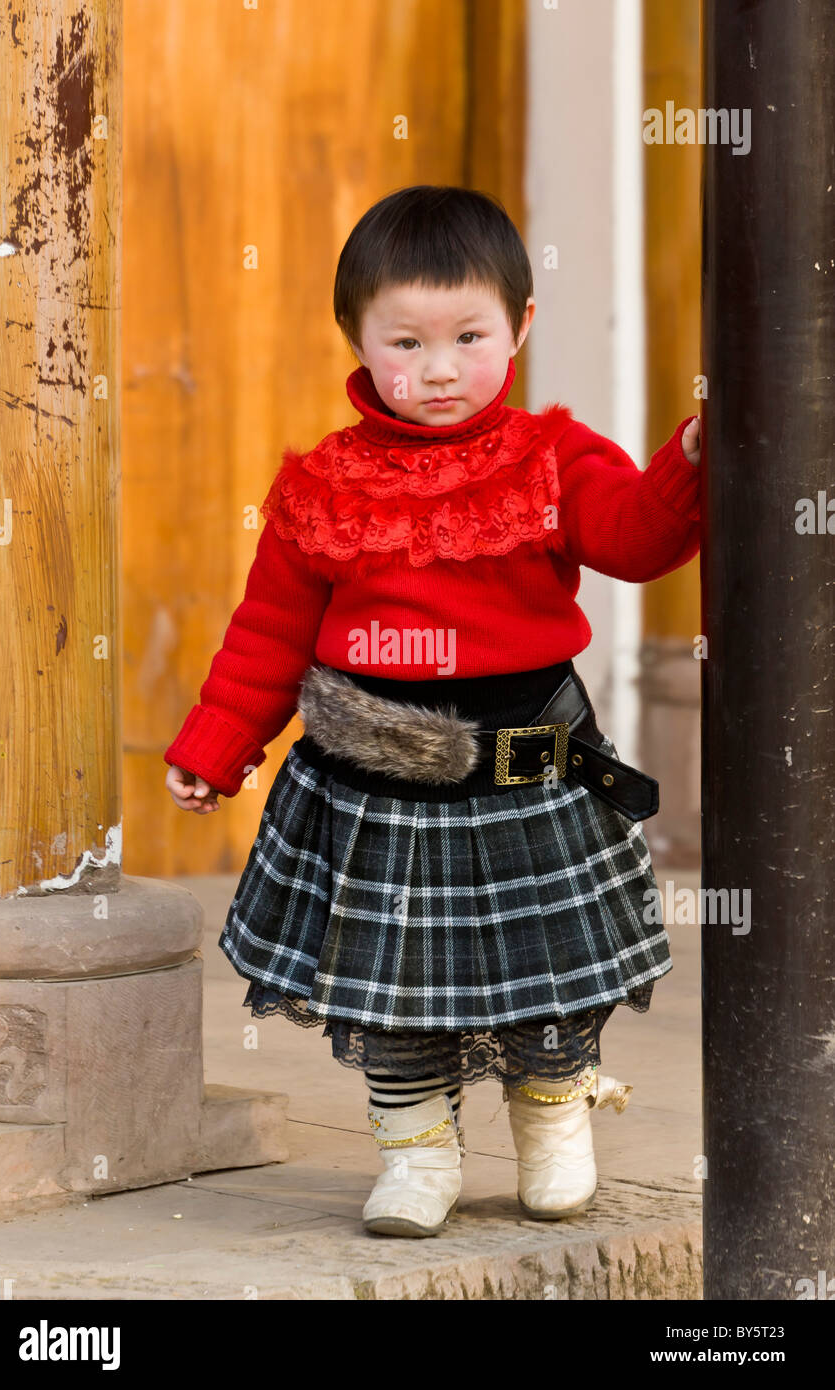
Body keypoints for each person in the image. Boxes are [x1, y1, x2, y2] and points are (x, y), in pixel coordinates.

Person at [164, 184, 701, 1238]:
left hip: (529, 772)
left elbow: (638, 539)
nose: (439, 367)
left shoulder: (553, 459)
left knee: (545, 977)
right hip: (374, 785)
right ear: (356, 340)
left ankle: (551, 1123)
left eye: (468, 335)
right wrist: (218, 743)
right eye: (404, 342)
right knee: (392, 987)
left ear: (521, 326)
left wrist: (690, 458)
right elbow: (268, 632)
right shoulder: (323, 485)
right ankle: (416, 1155)